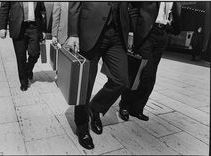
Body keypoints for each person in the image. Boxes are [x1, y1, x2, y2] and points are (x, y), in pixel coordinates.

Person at [66, 2, 134, 150]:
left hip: (117, 35)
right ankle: (82, 127)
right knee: (86, 84)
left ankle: (95, 108)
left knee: (121, 80)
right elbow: (74, 5)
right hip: (90, 31)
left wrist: (131, 32)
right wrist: (73, 33)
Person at [119, 2, 181, 121]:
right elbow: (132, 6)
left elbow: (174, 13)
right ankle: (125, 105)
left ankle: (137, 109)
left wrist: (172, 27)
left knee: (151, 75)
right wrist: (133, 29)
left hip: (163, 34)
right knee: (140, 71)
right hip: (146, 34)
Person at [0, 2, 47, 91]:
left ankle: (28, 70)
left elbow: (43, 12)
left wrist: (44, 29)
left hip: (34, 27)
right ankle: (24, 82)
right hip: (18, 26)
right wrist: (2, 27)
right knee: (21, 57)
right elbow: (4, 9)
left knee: (35, 53)